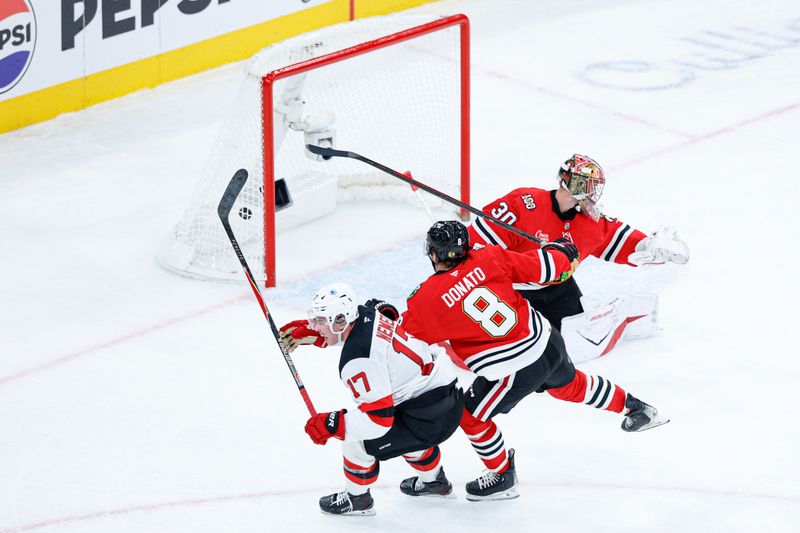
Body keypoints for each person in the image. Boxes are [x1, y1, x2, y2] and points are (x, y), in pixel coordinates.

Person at [400, 221, 668, 501]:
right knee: (570, 385)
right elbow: (547, 267)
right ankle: (635, 408)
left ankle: (502, 475)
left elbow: (400, 338)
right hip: (547, 341)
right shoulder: (489, 256)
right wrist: (561, 249)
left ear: (433, 255)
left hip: (514, 368)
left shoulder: (427, 299)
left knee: (471, 416)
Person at [468, 154, 689, 363]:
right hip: (512, 288)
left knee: (573, 345)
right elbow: (476, 245)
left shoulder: (588, 222)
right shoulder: (524, 203)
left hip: (558, 287)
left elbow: (618, 238)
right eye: (590, 187)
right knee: (515, 348)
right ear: (575, 185)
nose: (594, 194)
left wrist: (649, 246)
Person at [279, 283, 464, 516]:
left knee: (356, 442)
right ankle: (434, 482)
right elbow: (384, 320)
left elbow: (379, 420)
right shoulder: (368, 311)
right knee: (406, 435)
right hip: (444, 396)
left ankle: (358, 500)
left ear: (340, 320)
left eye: (320, 321)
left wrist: (332, 424)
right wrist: (318, 336)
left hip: (430, 417)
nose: (314, 326)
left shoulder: (357, 361)